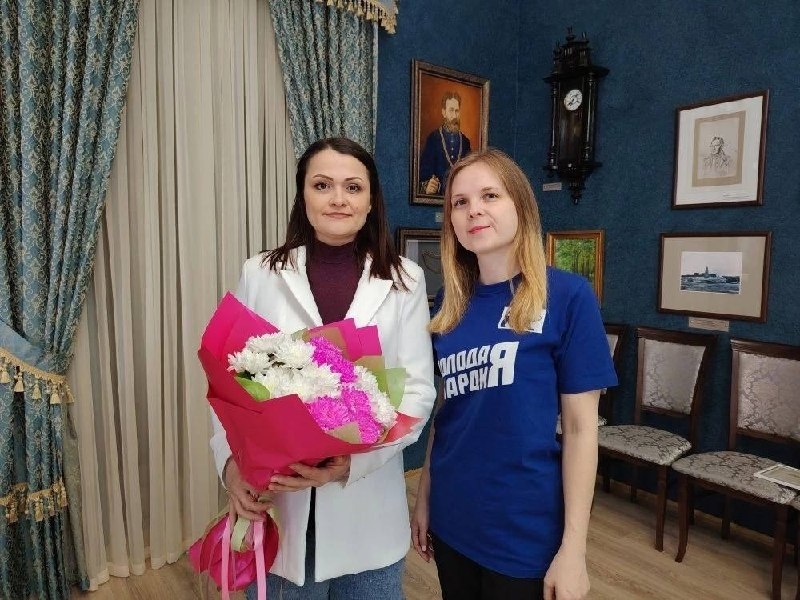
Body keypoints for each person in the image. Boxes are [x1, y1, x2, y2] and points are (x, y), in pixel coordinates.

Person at [210, 137, 436, 599]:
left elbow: (417, 391)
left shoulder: (405, 280)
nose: (338, 198)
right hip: (278, 503)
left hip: (368, 515)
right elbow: (231, 382)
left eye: (353, 187)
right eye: (322, 185)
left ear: (370, 201)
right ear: (303, 195)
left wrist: (350, 463)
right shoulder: (260, 273)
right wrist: (231, 466)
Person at [411, 148, 617, 600]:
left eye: (490, 195)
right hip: (453, 516)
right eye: (460, 202)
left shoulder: (568, 296)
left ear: (521, 205)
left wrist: (574, 549)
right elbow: (447, 411)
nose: (474, 210)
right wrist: (424, 495)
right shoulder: (450, 303)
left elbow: (581, 430)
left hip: (524, 528)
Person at [419, 91, 472, 195]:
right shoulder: (433, 139)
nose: (454, 115)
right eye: (451, 110)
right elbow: (424, 174)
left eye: (457, 111)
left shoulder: (465, 142)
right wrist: (428, 185)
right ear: (444, 112)